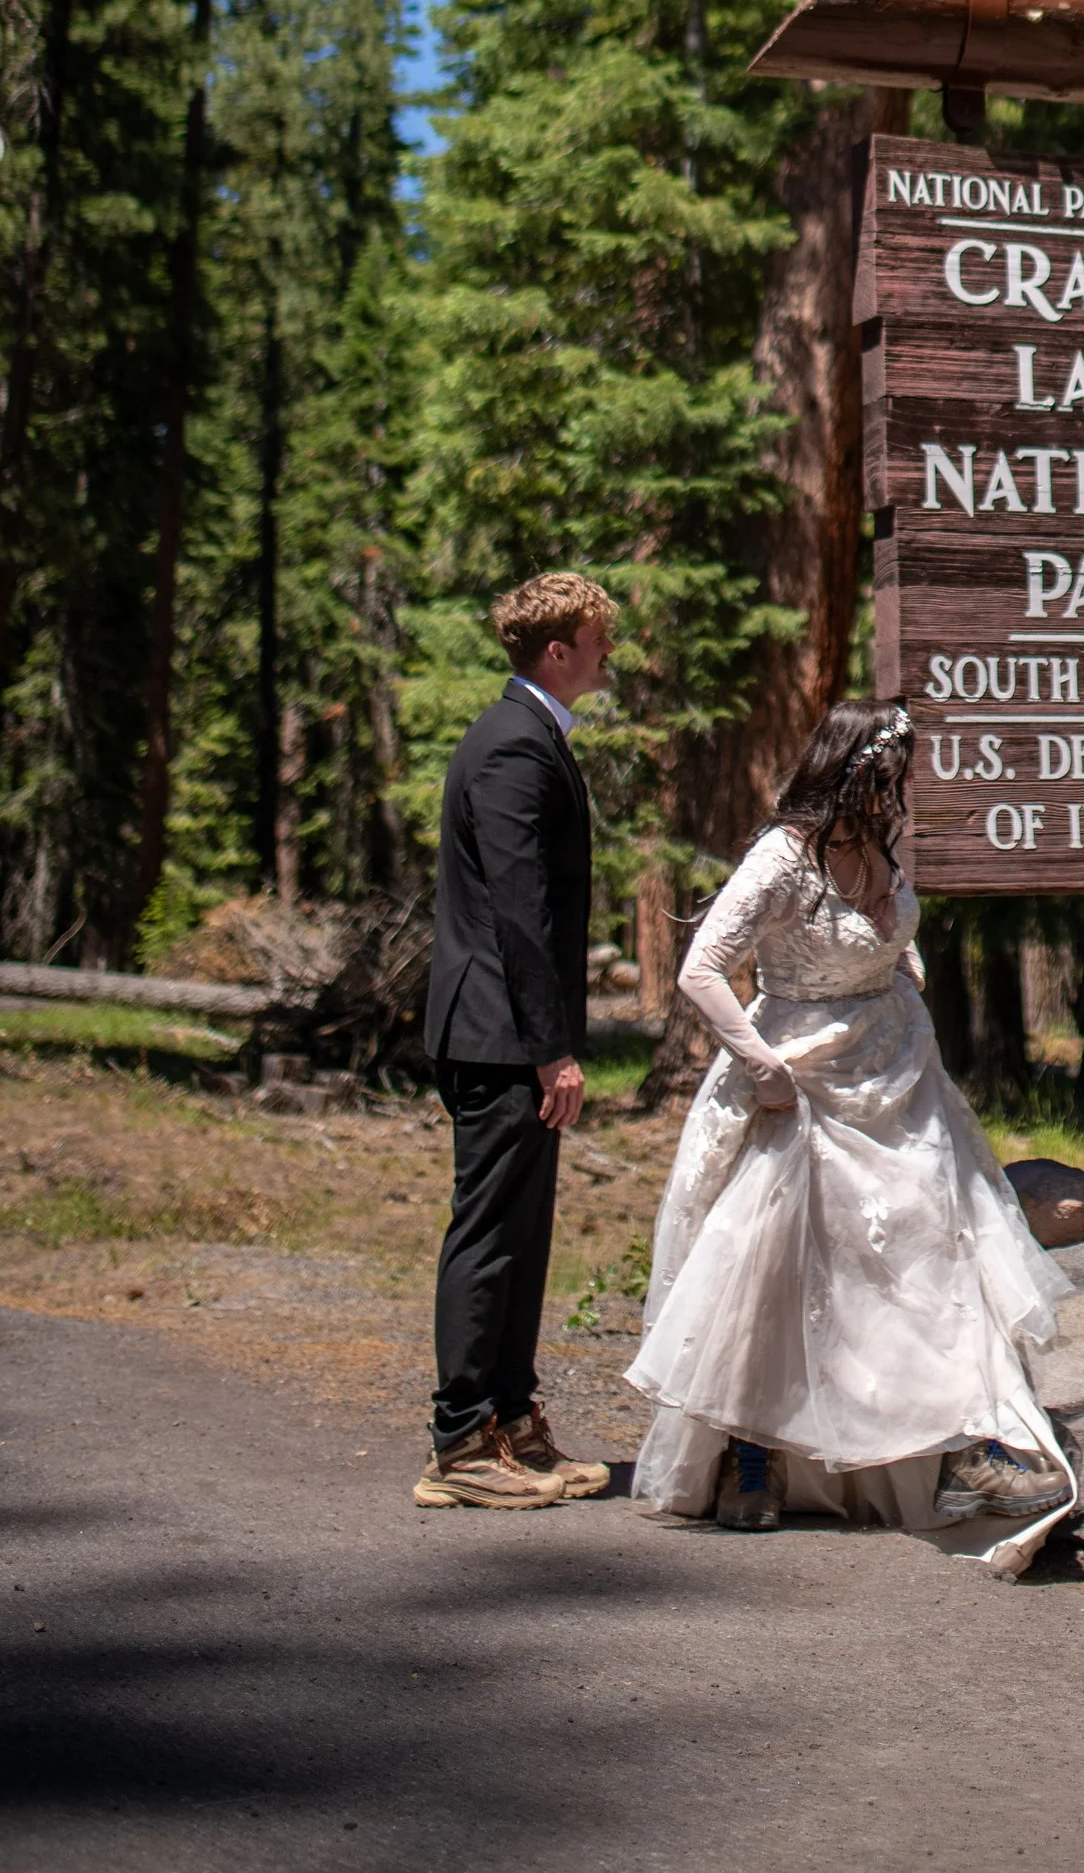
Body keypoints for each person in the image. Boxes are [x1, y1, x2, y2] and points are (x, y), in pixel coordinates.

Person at [627, 701, 1073, 1574]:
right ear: (852, 771)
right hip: (802, 1079)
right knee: (778, 1263)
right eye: (888, 774)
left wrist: (894, 964)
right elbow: (702, 967)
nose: (898, 791)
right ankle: (752, 1451)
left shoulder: (880, 850)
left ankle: (957, 1444)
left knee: (925, 1252)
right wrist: (761, 1067)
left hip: (897, 1075)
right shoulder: (784, 858)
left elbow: (885, 937)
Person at [415, 570, 618, 1511]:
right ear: (557, 649)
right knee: (491, 1232)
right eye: (596, 637)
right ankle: (460, 1442)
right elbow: (519, 913)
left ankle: (514, 1423)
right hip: (498, 1035)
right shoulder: (510, 748)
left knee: (523, 1234)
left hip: (510, 1032)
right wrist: (553, 1047)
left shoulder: (533, 738)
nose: (607, 651)